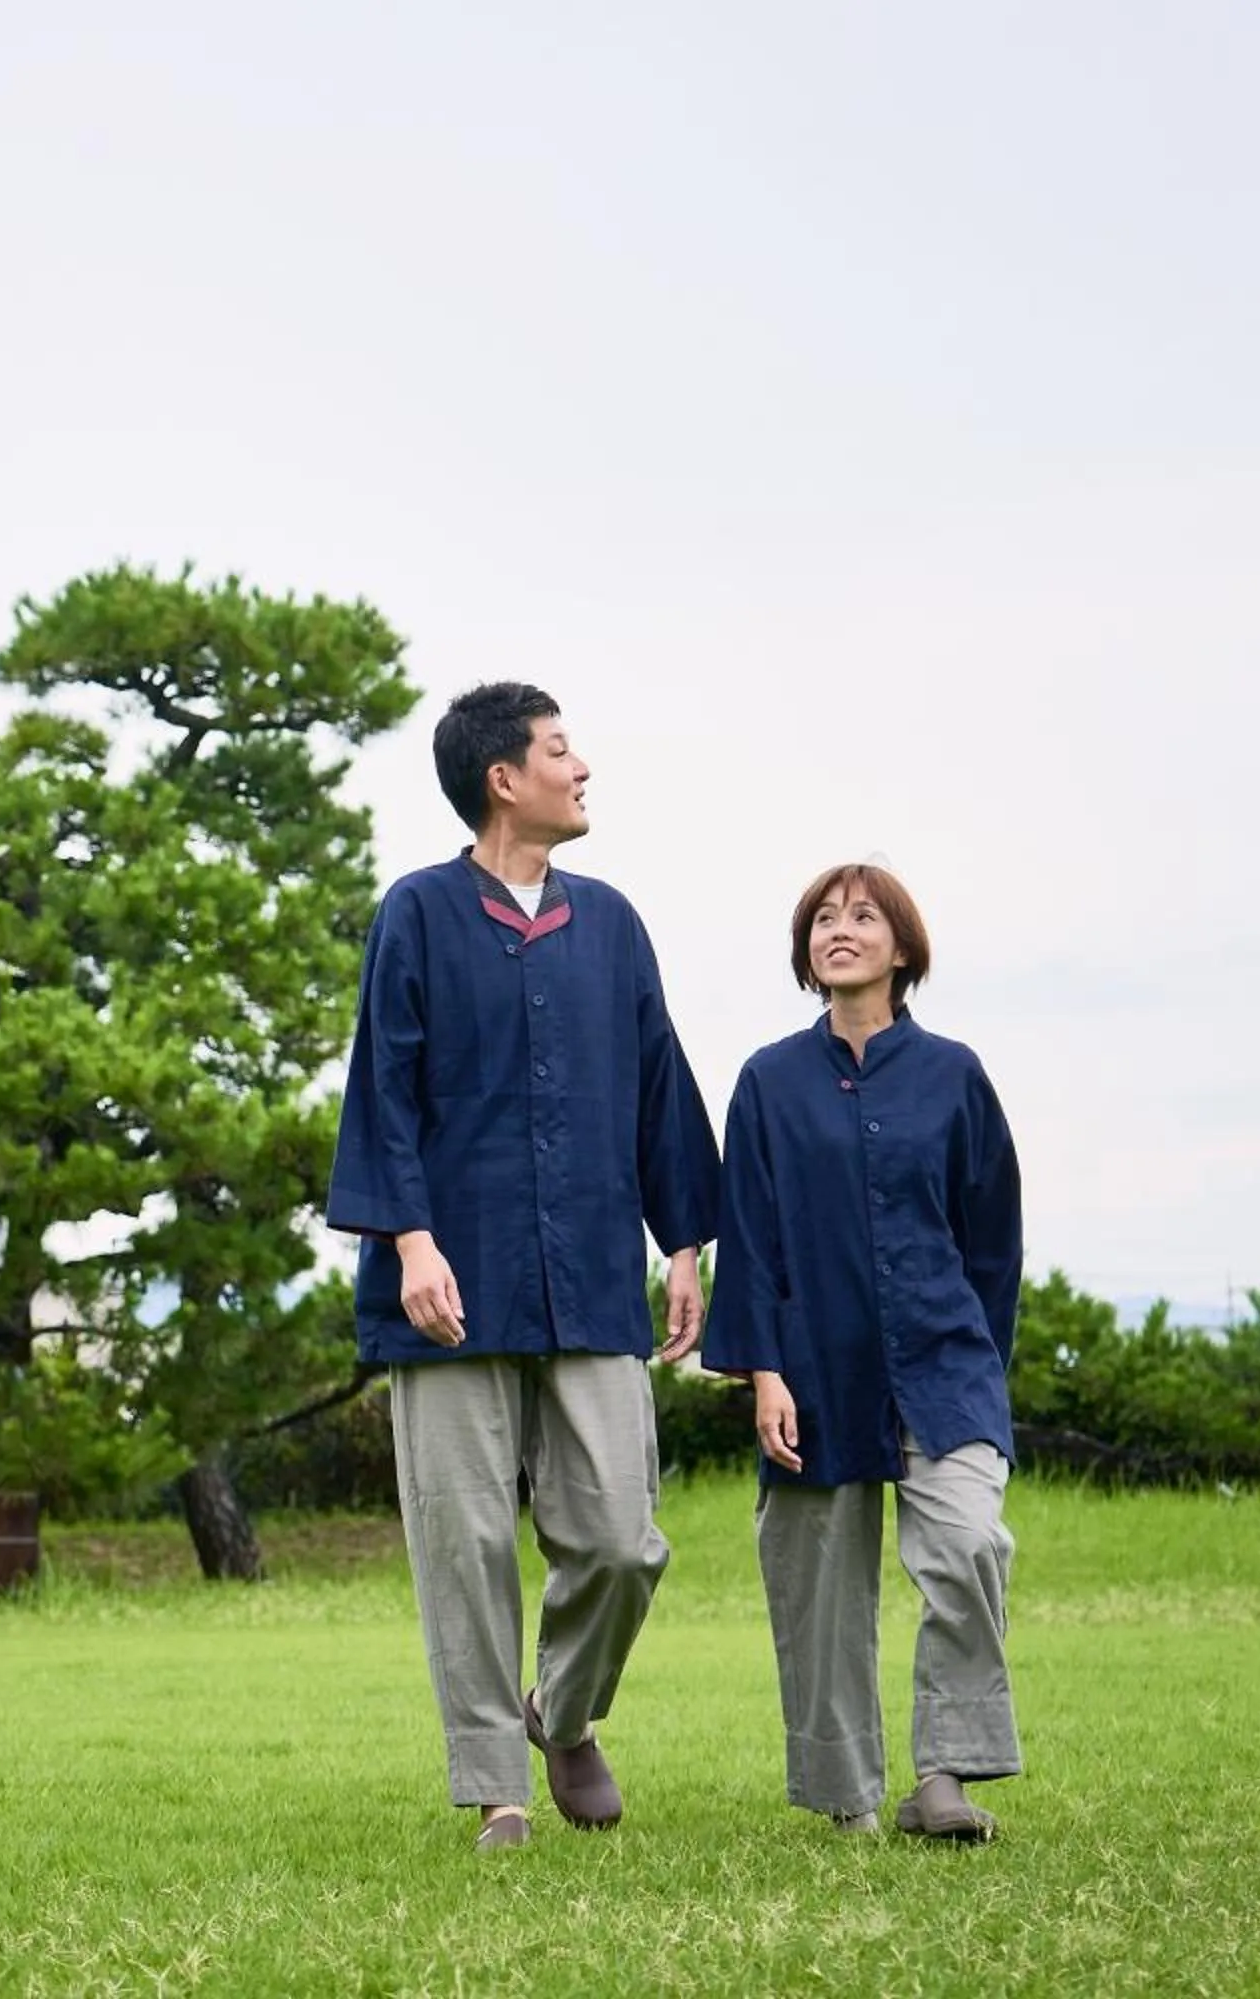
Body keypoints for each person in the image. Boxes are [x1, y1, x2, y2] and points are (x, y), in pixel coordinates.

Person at [329, 681, 719, 1853]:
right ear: (505, 777)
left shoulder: (612, 923)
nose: (581, 766)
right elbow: (383, 1087)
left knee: (618, 1537)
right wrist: (409, 1239)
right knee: (465, 1539)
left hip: (594, 1274)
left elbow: (660, 1084)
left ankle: (564, 1707)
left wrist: (685, 1244)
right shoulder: (420, 913)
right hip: (449, 1278)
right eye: (561, 749)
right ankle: (497, 1780)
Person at [700, 861, 1025, 1842]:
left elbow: (994, 1239)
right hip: (812, 1371)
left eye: (863, 915)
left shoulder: (954, 1074)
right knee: (819, 1594)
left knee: (969, 1544)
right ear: (807, 951)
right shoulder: (767, 1080)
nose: (840, 928)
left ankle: (945, 1776)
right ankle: (849, 1796)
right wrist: (765, 1372)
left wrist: (979, 1363)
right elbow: (749, 1237)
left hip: (944, 1361)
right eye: (823, 918)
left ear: (902, 947)